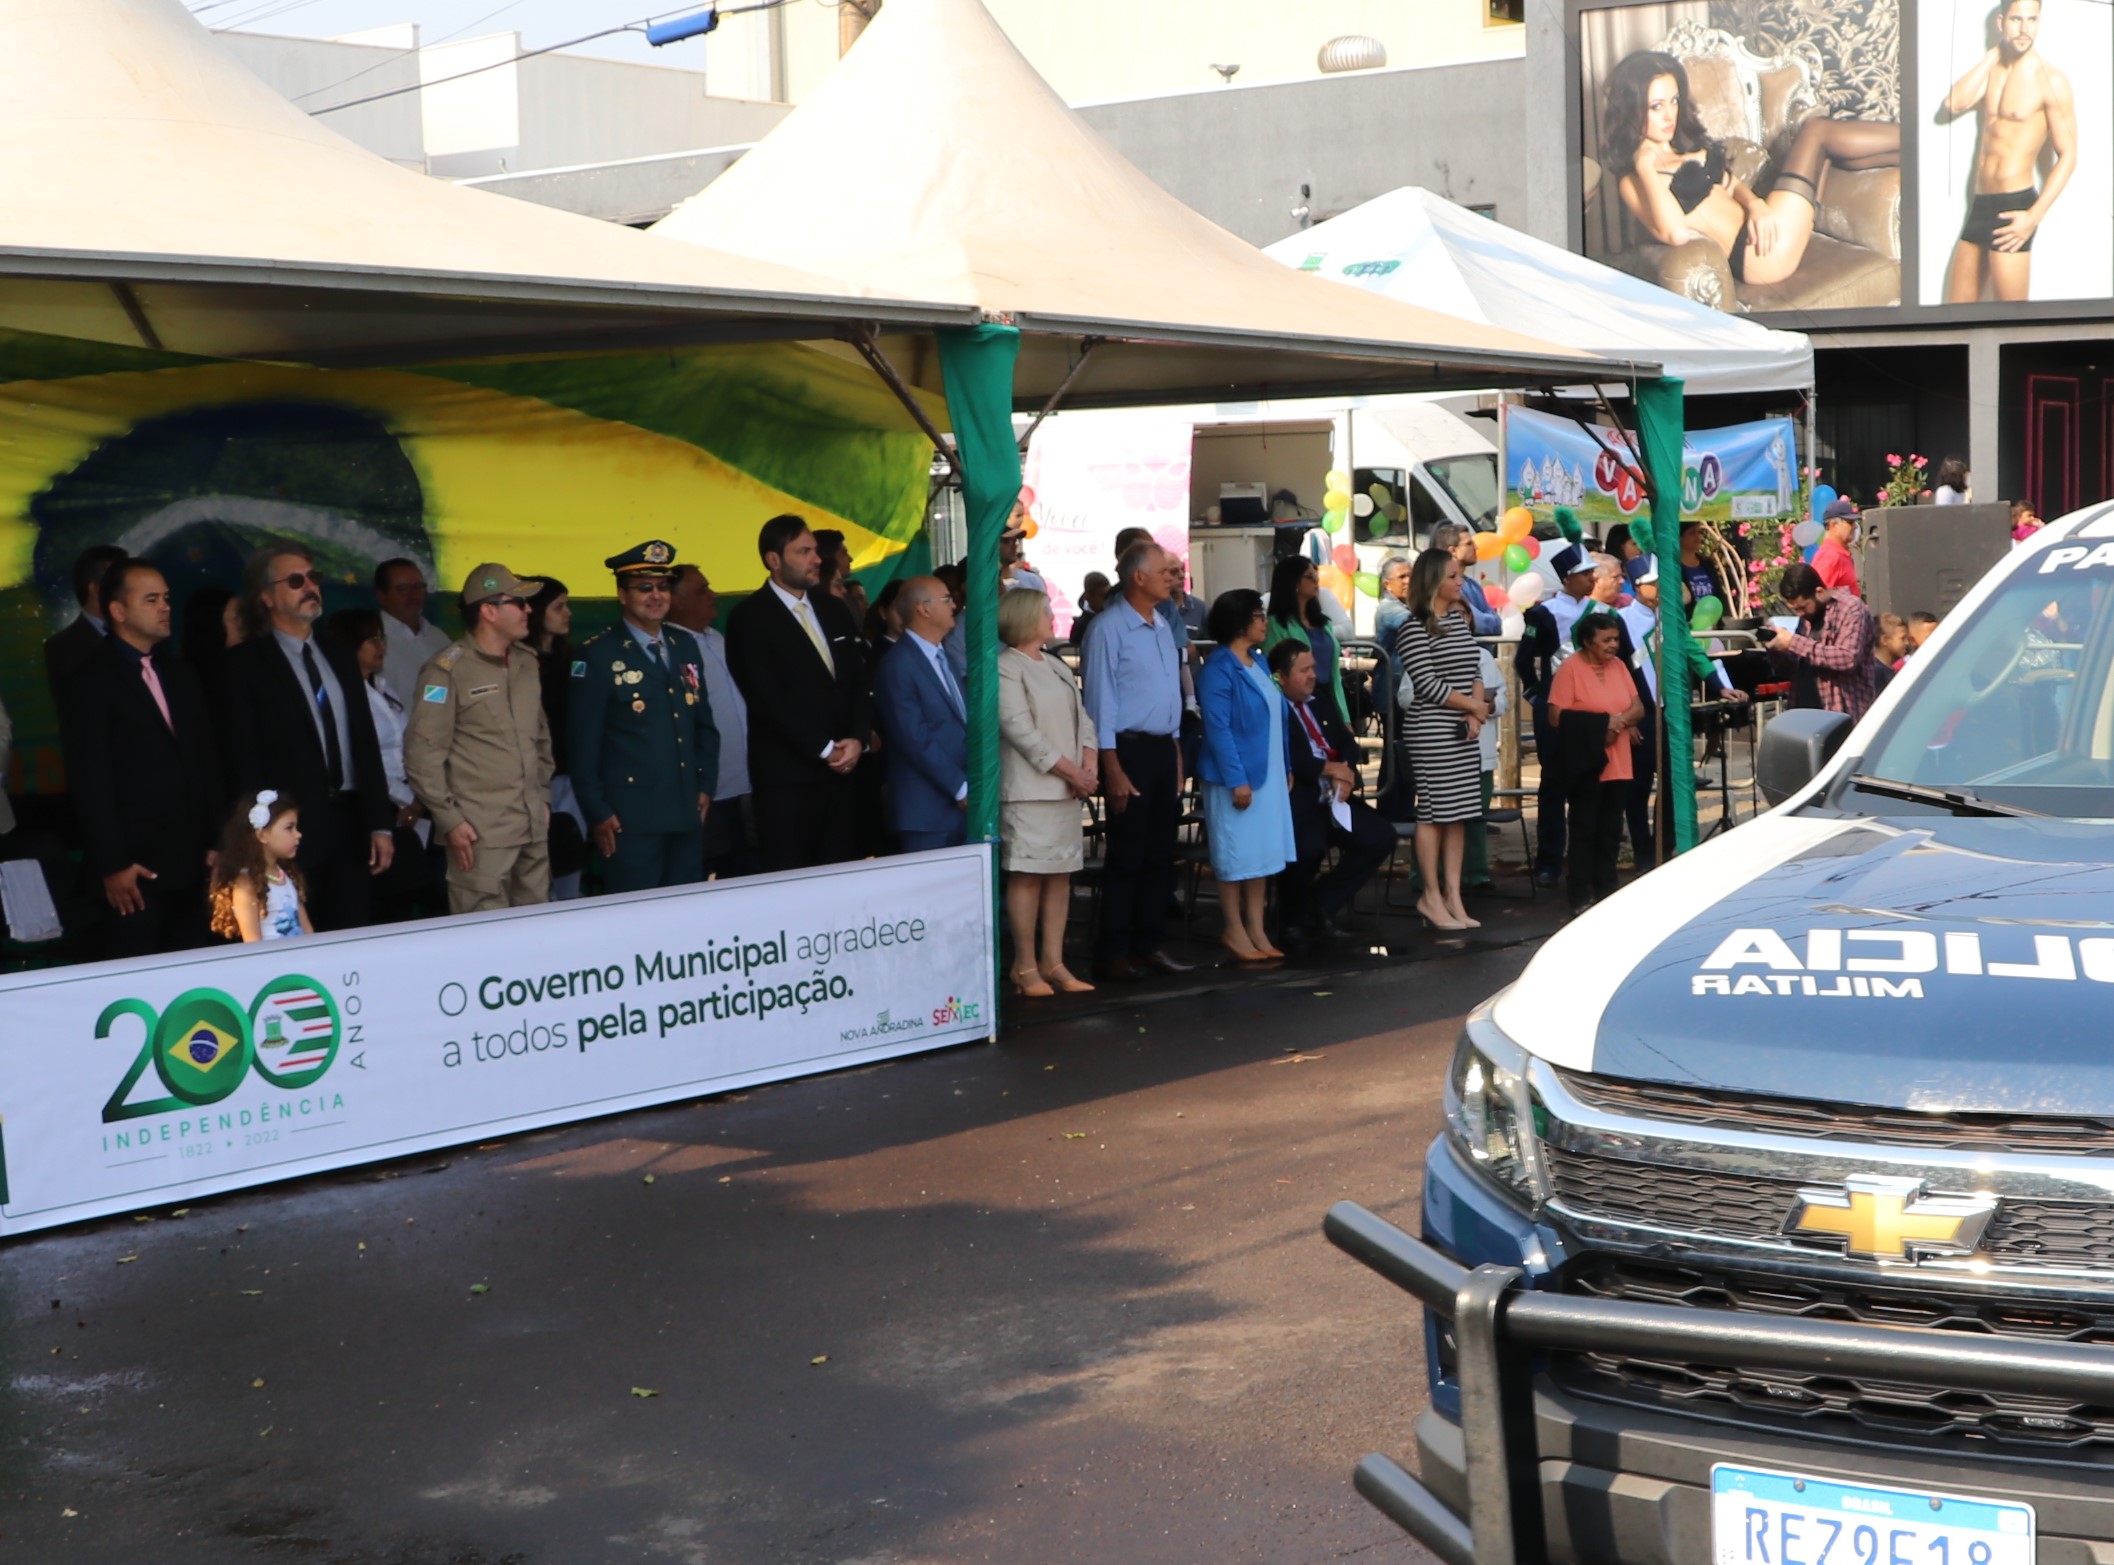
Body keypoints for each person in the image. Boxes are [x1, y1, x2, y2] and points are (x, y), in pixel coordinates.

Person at [1606, 49, 1899, 294]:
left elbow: (1731, 186)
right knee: (1816, 131)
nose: (1670, 114)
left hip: (1768, 228)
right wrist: (1645, 165)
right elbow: (1676, 233)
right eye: (1656, 106)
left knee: (1834, 155)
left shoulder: (1682, 146)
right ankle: (1917, 134)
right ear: (1632, 110)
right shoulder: (1634, 181)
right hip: (1758, 257)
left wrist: (1757, 205)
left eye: (1674, 101)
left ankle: (1912, 150)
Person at [219, 543, 395, 930]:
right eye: (296, 581)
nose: (310, 587)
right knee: (296, 938)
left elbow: (364, 742)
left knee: (352, 934)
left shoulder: (338, 653)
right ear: (266, 596)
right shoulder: (245, 665)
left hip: (350, 823)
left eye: (313, 578)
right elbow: (242, 757)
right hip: (289, 829)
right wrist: (258, 835)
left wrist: (380, 822)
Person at [62, 558, 222, 958]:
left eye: (166, 598)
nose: (165, 607)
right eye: (151, 600)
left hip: (194, 864)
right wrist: (112, 864)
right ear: (118, 610)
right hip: (135, 872)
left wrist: (219, 840)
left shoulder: (181, 673)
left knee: (196, 973)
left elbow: (207, 761)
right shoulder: (90, 681)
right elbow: (90, 778)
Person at [568, 542, 719, 893]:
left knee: (686, 915)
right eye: (644, 588)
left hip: (685, 810)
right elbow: (582, 743)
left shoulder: (685, 646)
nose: (656, 596)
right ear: (622, 595)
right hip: (630, 819)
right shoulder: (596, 654)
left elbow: (703, 723)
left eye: (663, 587)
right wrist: (598, 812)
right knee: (638, 921)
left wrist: (706, 784)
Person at [724, 514, 872, 871]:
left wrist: (857, 737)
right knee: (796, 883)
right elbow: (765, 697)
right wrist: (824, 749)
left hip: (843, 776)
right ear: (773, 560)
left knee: (842, 877)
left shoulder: (833, 608)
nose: (817, 559)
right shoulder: (748, 617)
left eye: (816, 551)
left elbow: (858, 680)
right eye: (803, 551)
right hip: (788, 782)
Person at [405, 564, 556, 913]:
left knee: (536, 938)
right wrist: (451, 821)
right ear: (489, 611)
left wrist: (542, 796)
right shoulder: (446, 671)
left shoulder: (526, 663)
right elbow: (422, 754)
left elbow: (542, 738)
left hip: (531, 827)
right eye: (519, 603)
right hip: (479, 835)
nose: (529, 610)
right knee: (486, 947)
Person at [1078, 540, 1191, 981]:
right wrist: (1112, 767)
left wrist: (1177, 753)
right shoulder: (1108, 629)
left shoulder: (1163, 624)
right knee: (1127, 852)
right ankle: (1113, 950)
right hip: (1128, 748)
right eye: (1164, 571)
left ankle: (1149, 944)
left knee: (1161, 852)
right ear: (1138, 577)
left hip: (1163, 748)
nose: (1172, 577)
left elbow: (1170, 694)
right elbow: (1100, 701)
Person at [996, 588, 1097, 996]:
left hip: (1066, 791)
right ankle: (1024, 966)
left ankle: (1054, 962)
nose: (1050, 617)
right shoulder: (1005, 666)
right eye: (1043, 611)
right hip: (1030, 791)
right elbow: (1020, 730)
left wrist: (1088, 765)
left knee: (1060, 877)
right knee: (1028, 876)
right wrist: (1074, 772)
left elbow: (1083, 717)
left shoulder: (1054, 664)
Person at [1942, 0, 2076, 305]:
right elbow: (1953, 104)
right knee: (1955, 314)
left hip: (2014, 206)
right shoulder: (1993, 71)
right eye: (2016, 19)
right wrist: (1994, 54)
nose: (2025, 28)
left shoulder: (2050, 81)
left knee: (2012, 318)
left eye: (2032, 20)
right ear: (2001, 22)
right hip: (1980, 204)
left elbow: (2068, 155)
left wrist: (2033, 217)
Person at [1273, 641, 1393, 946]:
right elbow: (1290, 757)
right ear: (1281, 677)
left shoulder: (1320, 701)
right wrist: (1328, 769)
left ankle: (1323, 902)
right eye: (1304, 670)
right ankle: (1290, 918)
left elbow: (1347, 741)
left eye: (1313, 668)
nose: (1313, 675)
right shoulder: (1275, 708)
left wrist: (1347, 771)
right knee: (1308, 848)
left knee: (1380, 835)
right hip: (1303, 794)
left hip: (1336, 795)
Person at [1395, 548, 1490, 931]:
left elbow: (1474, 667)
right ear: (1434, 580)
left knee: (1460, 815)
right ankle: (1430, 895)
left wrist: (1475, 708)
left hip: (1463, 725)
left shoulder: (1458, 620)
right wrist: (1474, 706)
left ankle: (1454, 895)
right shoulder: (1413, 626)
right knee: (1434, 813)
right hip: (1431, 729)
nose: (1460, 581)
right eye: (1452, 576)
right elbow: (1428, 685)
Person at [1197, 590, 1294, 963]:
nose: (1263, 621)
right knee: (1235, 853)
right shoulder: (1219, 668)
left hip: (1266, 771)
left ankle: (1256, 926)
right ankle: (1234, 927)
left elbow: (1277, 717)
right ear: (1239, 622)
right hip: (1236, 777)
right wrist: (1237, 778)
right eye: (1257, 615)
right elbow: (1219, 729)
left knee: (1262, 854)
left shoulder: (1256, 660)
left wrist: (1284, 766)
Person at [328, 608, 428, 921]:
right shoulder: (342, 695)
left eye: (381, 637)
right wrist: (406, 799)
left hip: (409, 805)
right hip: (377, 805)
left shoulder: (383, 688)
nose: (379, 645)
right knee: (382, 900)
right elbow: (363, 761)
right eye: (370, 639)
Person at [1547, 616, 1646, 916]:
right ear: (1588, 641)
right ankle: (1580, 894)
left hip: (1618, 759)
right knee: (1584, 828)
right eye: (1606, 640)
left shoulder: (1619, 667)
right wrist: (1604, 723)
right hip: (1587, 761)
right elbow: (1555, 716)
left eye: (1616, 639)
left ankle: (1607, 889)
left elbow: (1638, 707)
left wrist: (1618, 722)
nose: (1613, 645)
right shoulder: (1570, 669)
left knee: (1611, 829)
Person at [1520, 543, 1600, 887]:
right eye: (1585, 574)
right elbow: (1523, 659)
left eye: (1593, 573)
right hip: (1555, 707)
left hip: (1593, 707)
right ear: (1568, 578)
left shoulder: (1602, 612)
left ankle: (1588, 857)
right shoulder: (1543, 613)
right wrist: (1536, 693)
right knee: (1553, 784)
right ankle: (1549, 861)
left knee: (1591, 782)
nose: (1592, 580)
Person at [668, 564, 754, 880]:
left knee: (746, 868)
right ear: (675, 601)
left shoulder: (716, 637)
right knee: (711, 870)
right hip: (709, 789)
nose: (712, 595)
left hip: (746, 781)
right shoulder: (671, 647)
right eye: (701, 590)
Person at [873, 576, 969, 852]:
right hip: (927, 811)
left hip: (960, 803)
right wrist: (959, 787)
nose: (955, 605)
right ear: (923, 609)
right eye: (947, 599)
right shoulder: (898, 664)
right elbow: (913, 737)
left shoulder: (944, 656)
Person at [1760, 561, 1880, 722]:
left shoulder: (1851, 608)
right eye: (1795, 610)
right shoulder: (1806, 620)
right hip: (1804, 713)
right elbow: (1794, 667)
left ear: (1819, 591)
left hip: (1841, 715)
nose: (1800, 613)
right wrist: (1776, 648)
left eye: (1803, 607)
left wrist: (1793, 642)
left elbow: (1848, 658)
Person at [526, 578, 587, 899]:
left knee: (569, 866)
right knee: (536, 873)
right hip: (536, 781)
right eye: (559, 607)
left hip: (572, 776)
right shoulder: (519, 665)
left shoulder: (572, 659)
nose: (568, 613)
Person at [208, 791, 311, 942]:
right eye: (289, 828)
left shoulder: (287, 876)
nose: (298, 834)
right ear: (262, 835)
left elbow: (307, 930)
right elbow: (253, 942)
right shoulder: (246, 885)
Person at [1263, 553, 1348, 724]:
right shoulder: (1276, 624)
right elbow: (1275, 673)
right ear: (1293, 582)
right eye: (1310, 576)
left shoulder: (1323, 622)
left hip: (1329, 698)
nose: (1316, 580)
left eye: (1317, 575)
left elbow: (1334, 675)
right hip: (1296, 704)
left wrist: (1345, 717)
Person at [44, 543, 127, 703]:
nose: (128, 592)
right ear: (96, 589)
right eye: (121, 584)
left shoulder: (144, 633)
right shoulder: (62, 647)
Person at [374, 558, 451, 713]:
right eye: (402, 589)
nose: (413, 595)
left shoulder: (438, 637)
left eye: (418, 587)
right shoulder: (373, 639)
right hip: (395, 735)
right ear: (381, 596)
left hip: (442, 732)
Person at [1432, 524, 1502, 635]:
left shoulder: (1473, 585)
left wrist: (1490, 621)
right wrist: (1490, 621)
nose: (1476, 547)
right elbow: (1478, 623)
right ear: (1453, 550)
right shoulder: (1447, 587)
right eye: (1469, 544)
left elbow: (1498, 625)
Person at [180, 586, 242, 704]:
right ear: (212, 625)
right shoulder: (187, 681)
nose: (243, 624)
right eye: (236, 618)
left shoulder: (248, 667)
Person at [1813, 499, 1862, 596]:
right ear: (1833, 524)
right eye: (1850, 522)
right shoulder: (1830, 555)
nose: (1855, 527)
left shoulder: (1839, 554)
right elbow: (1817, 598)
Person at [1070, 571, 1112, 643]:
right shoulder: (1080, 626)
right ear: (1087, 597)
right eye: (1101, 596)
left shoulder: (1116, 617)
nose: (1106, 600)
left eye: (1109, 595)